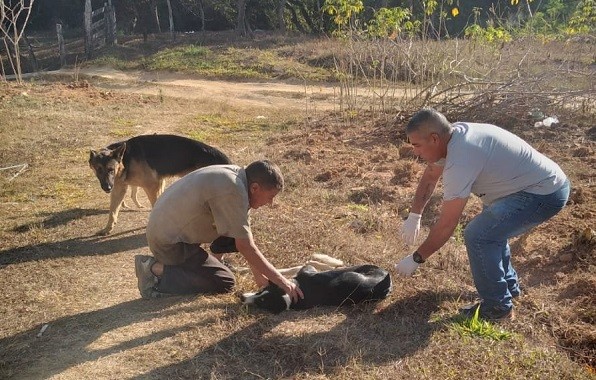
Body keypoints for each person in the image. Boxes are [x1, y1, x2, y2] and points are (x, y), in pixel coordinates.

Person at [394, 108, 570, 321]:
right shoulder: (449, 138)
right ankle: (509, 288)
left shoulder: (462, 157)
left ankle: (498, 308)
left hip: (543, 192)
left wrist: (417, 258)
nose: (414, 152)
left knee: (479, 235)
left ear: (434, 138)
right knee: (492, 232)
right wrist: (414, 216)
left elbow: (447, 224)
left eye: (416, 145)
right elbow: (431, 176)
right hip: (522, 187)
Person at [134, 160, 304, 303]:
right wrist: (283, 282)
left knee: (238, 231)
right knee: (224, 281)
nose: (271, 203)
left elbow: (244, 235)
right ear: (255, 188)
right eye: (270, 197)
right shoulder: (233, 191)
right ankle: (154, 269)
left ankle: (212, 261)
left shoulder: (237, 178)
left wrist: (260, 278)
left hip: (166, 230)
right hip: (170, 245)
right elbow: (246, 246)